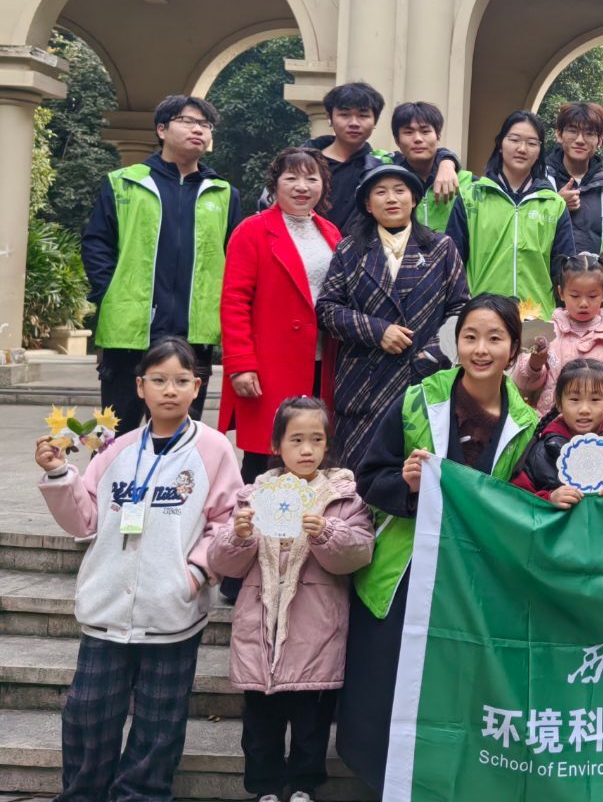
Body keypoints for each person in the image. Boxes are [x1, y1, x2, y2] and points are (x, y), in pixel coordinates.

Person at [340, 295, 540, 791]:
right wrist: (407, 485)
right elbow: (369, 478)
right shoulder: (417, 401)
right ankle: (381, 785)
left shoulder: (526, 423)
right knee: (386, 684)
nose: (481, 349)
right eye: (470, 337)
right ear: (455, 343)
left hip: (474, 576)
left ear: (514, 349)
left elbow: (523, 496)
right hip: (404, 569)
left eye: (494, 338)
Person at [34, 337, 241, 802]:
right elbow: (85, 520)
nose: (170, 390)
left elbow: (226, 522)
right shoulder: (117, 449)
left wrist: (195, 573)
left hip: (171, 613)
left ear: (197, 388)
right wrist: (60, 475)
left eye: (181, 380)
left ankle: (141, 795)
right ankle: (83, 794)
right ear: (140, 387)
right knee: (87, 714)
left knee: (159, 724)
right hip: (106, 609)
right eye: (159, 380)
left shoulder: (213, 450)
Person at [208, 397, 374, 802]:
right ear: (276, 445)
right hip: (260, 633)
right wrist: (239, 536)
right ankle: (264, 787)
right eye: (296, 439)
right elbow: (222, 563)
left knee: (311, 723)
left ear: (327, 444)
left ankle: (303, 786)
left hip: (315, 635)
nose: (306, 449)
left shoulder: (343, 498)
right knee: (260, 725)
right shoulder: (254, 497)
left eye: (316, 439)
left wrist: (327, 533)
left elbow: (359, 553)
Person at [82, 94, 241, 435]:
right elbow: (97, 243)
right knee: (116, 436)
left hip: (193, 333)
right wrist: (109, 292)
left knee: (181, 437)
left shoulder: (223, 193)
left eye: (205, 125)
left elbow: (235, 258)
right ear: (162, 129)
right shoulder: (124, 183)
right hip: (130, 332)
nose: (198, 130)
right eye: (188, 121)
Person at [317, 165, 469, 469]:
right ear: (367, 204)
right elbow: (327, 309)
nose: (391, 199)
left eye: (400, 191)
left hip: (424, 382)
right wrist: (377, 331)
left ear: (413, 200)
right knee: (359, 479)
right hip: (363, 387)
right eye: (381, 192)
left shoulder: (441, 248)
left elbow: (460, 312)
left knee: (420, 476)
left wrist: (430, 355)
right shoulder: (349, 250)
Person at [219, 147, 342, 482]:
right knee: (266, 454)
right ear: (275, 184)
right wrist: (241, 363)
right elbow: (234, 300)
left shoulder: (331, 232)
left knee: (312, 451)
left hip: (322, 360)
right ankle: (251, 515)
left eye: (311, 178)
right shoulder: (252, 230)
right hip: (270, 362)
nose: (302, 187)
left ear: (323, 185)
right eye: (291, 178)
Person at [446, 110, 574, 318]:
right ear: (500, 144)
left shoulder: (554, 204)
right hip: (482, 317)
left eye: (532, 143)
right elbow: (452, 265)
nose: (522, 149)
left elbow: (564, 273)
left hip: (538, 320)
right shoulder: (471, 197)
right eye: (514, 140)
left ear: (540, 150)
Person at [287, 83, 460, 233]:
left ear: (375, 121)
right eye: (344, 114)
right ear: (330, 118)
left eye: (363, 115)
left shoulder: (378, 165)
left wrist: (447, 162)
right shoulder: (300, 165)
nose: (354, 123)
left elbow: (418, 153)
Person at [513, 253, 603, 416]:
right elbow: (521, 382)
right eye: (575, 296)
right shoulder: (546, 331)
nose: (583, 303)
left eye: (592, 296)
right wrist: (534, 364)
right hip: (551, 418)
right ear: (561, 293)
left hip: (597, 420)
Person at [511, 358, 603, 502]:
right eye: (574, 399)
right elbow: (517, 501)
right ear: (559, 403)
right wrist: (548, 499)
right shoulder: (541, 454)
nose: (584, 410)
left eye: (595, 400)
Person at [545, 101, 603, 255]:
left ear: (599, 140)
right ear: (559, 135)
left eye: (589, 133)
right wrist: (556, 206)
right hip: (548, 271)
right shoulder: (539, 180)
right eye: (572, 131)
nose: (580, 140)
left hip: (598, 270)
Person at [383, 101, 471, 233]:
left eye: (425, 131)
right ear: (397, 140)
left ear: (438, 136)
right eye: (408, 132)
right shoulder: (384, 176)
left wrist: (448, 163)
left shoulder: (467, 182)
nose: (418, 139)